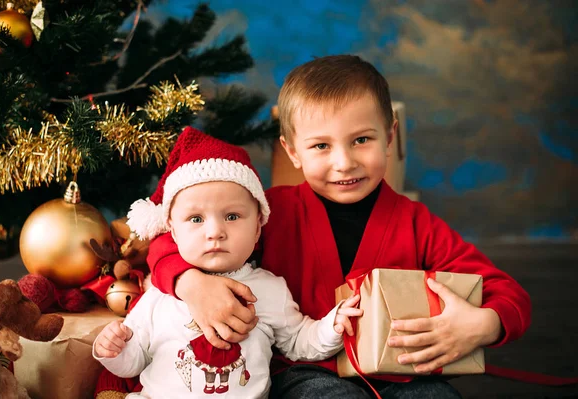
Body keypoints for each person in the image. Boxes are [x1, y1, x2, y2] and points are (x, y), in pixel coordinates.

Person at [140, 55, 532, 398]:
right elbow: (166, 241)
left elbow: (507, 293)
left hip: (402, 373)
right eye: (321, 146)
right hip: (301, 371)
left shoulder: (416, 223)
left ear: (390, 135)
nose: (344, 162)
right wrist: (191, 282)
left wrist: (483, 325)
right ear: (292, 151)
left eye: (361, 139)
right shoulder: (268, 211)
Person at [93, 127, 363, 399]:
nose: (215, 232)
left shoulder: (269, 289)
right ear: (173, 231)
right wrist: (114, 349)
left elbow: (298, 342)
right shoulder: (160, 295)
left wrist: (332, 326)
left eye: (232, 216)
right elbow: (133, 363)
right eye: (196, 219)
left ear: (258, 227)